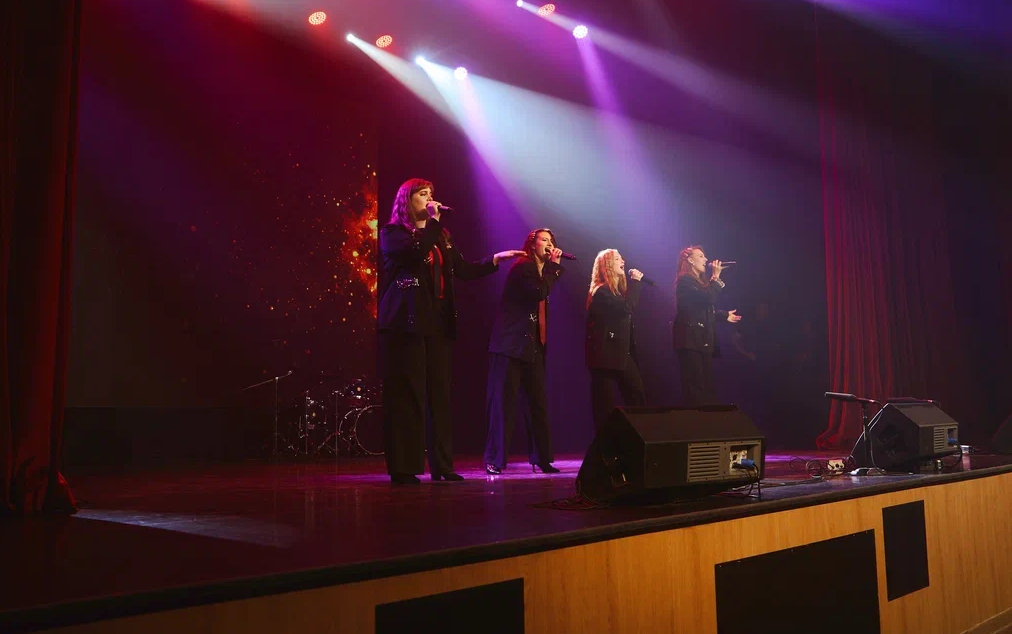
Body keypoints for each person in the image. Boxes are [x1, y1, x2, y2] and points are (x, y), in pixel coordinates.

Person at [378, 178, 524, 484]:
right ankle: (404, 468)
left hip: (438, 323)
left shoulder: (441, 236)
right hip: (406, 323)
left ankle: (442, 465)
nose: (430, 198)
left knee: (440, 395)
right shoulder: (393, 233)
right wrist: (432, 223)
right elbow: (414, 255)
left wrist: (493, 261)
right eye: (423, 194)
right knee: (409, 395)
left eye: (431, 193)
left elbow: (463, 269)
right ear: (407, 200)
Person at [483, 228, 564, 475]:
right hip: (510, 344)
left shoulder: (540, 272)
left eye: (552, 241)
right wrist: (554, 268)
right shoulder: (524, 266)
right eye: (544, 240)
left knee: (538, 403)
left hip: (532, 346)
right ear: (532, 244)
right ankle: (495, 459)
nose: (550, 244)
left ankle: (542, 458)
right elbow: (538, 292)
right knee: (503, 404)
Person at [585, 249, 648, 432]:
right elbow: (627, 307)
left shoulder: (616, 292)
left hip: (620, 353)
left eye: (622, 258)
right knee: (604, 406)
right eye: (617, 259)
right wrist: (636, 283)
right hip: (604, 356)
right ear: (607, 265)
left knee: (637, 396)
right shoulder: (601, 291)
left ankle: (638, 436)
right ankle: (605, 445)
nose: (623, 261)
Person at [672, 245, 742, 406]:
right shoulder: (685, 281)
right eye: (701, 256)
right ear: (690, 260)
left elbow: (702, 308)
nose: (706, 259)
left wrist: (724, 315)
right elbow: (708, 298)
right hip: (690, 340)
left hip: (702, 340)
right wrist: (715, 277)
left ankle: (707, 418)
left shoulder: (700, 283)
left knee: (707, 387)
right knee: (695, 388)